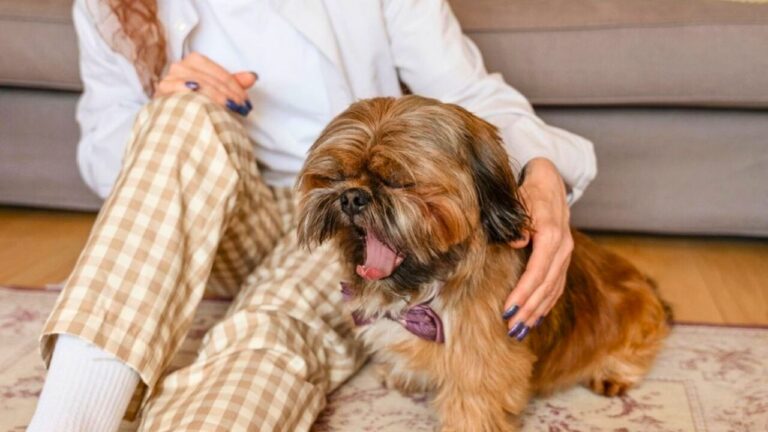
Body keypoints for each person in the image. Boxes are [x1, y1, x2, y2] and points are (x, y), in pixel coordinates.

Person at [28, 0, 596, 430]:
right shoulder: (112, 6)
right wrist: (164, 103)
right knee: (182, 115)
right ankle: (69, 418)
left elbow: (468, 91)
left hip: (353, 237)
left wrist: (539, 167)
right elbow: (107, 169)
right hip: (209, 219)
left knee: (269, 335)